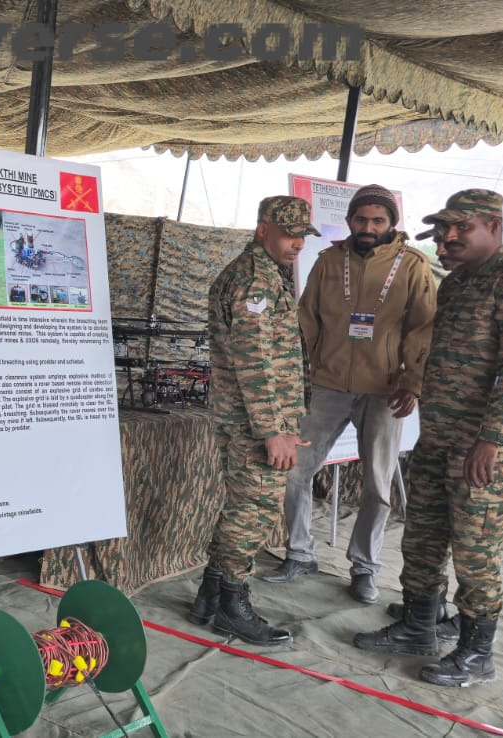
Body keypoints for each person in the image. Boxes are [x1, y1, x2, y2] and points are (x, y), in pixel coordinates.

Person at [353, 189, 503, 688]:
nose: (447, 239)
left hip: (482, 445)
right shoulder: (459, 283)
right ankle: (419, 626)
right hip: (439, 435)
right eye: (443, 230)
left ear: (493, 226)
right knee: (422, 536)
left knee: (474, 549)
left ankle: (476, 652)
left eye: (461, 228)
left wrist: (492, 439)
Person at [261, 184, 437, 605]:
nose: (368, 227)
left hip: (385, 390)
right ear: (350, 221)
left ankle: (364, 568)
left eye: (378, 220)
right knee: (295, 471)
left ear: (391, 223)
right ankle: (299, 553)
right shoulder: (328, 261)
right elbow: (307, 319)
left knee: (377, 484)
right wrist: (301, 372)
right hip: (328, 385)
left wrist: (413, 381)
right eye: (361, 219)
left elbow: (423, 328)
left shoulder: (412, 265)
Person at [186, 195, 316, 647]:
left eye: (303, 235)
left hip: (254, 419)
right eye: (290, 234)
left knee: (243, 507)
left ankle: (210, 594)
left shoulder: (261, 274)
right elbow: (254, 360)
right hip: (255, 424)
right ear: (263, 229)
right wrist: (272, 430)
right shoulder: (254, 281)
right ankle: (232, 606)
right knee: (253, 512)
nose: (298, 244)